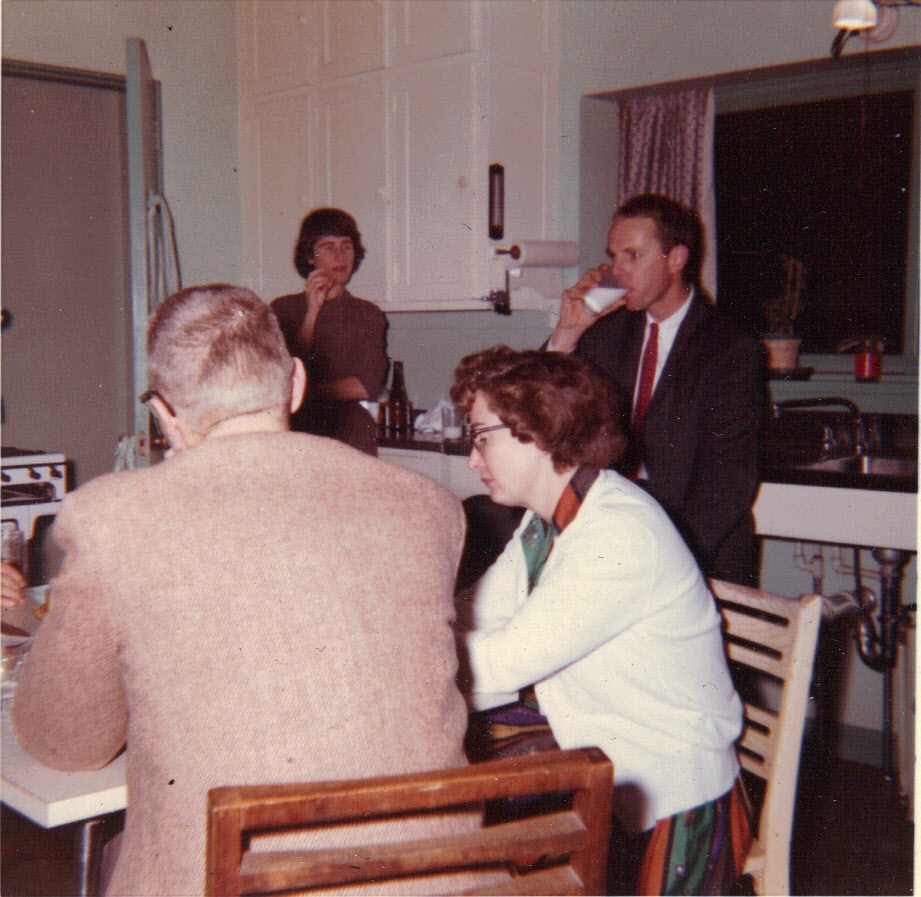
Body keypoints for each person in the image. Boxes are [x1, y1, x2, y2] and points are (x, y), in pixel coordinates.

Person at [12, 284, 490, 897]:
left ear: (164, 415)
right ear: (296, 384)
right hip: (441, 882)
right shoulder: (430, 505)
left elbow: (66, 743)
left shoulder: (113, 517)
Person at [451, 345, 751, 896]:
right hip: (597, 735)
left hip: (669, 790)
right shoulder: (549, 520)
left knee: (446, 769)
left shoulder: (617, 533)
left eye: (481, 437)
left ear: (538, 432)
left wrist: (403, 674)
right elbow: (476, 612)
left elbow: (502, 664)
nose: (473, 460)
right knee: (451, 768)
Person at [548, 193, 764, 585]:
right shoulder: (605, 333)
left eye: (632, 256)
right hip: (614, 539)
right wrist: (567, 333)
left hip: (697, 553)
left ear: (676, 259)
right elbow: (538, 412)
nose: (616, 272)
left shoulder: (728, 347)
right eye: (613, 257)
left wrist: (667, 560)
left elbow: (727, 479)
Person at [271, 207, 389, 456]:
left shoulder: (368, 314)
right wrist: (312, 313)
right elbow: (282, 373)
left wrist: (305, 391)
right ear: (310, 257)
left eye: (346, 246)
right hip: (296, 433)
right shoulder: (282, 309)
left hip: (351, 434)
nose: (340, 256)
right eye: (328, 247)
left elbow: (367, 386)